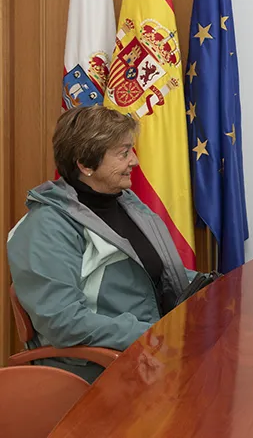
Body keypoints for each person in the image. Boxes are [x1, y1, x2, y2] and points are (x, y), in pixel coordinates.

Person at [7, 105, 195, 382]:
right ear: (85, 164)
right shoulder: (46, 226)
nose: (135, 161)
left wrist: (214, 288)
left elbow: (157, 272)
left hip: (149, 354)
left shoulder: (126, 203)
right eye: (123, 153)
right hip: (101, 369)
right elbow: (63, 321)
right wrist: (150, 336)